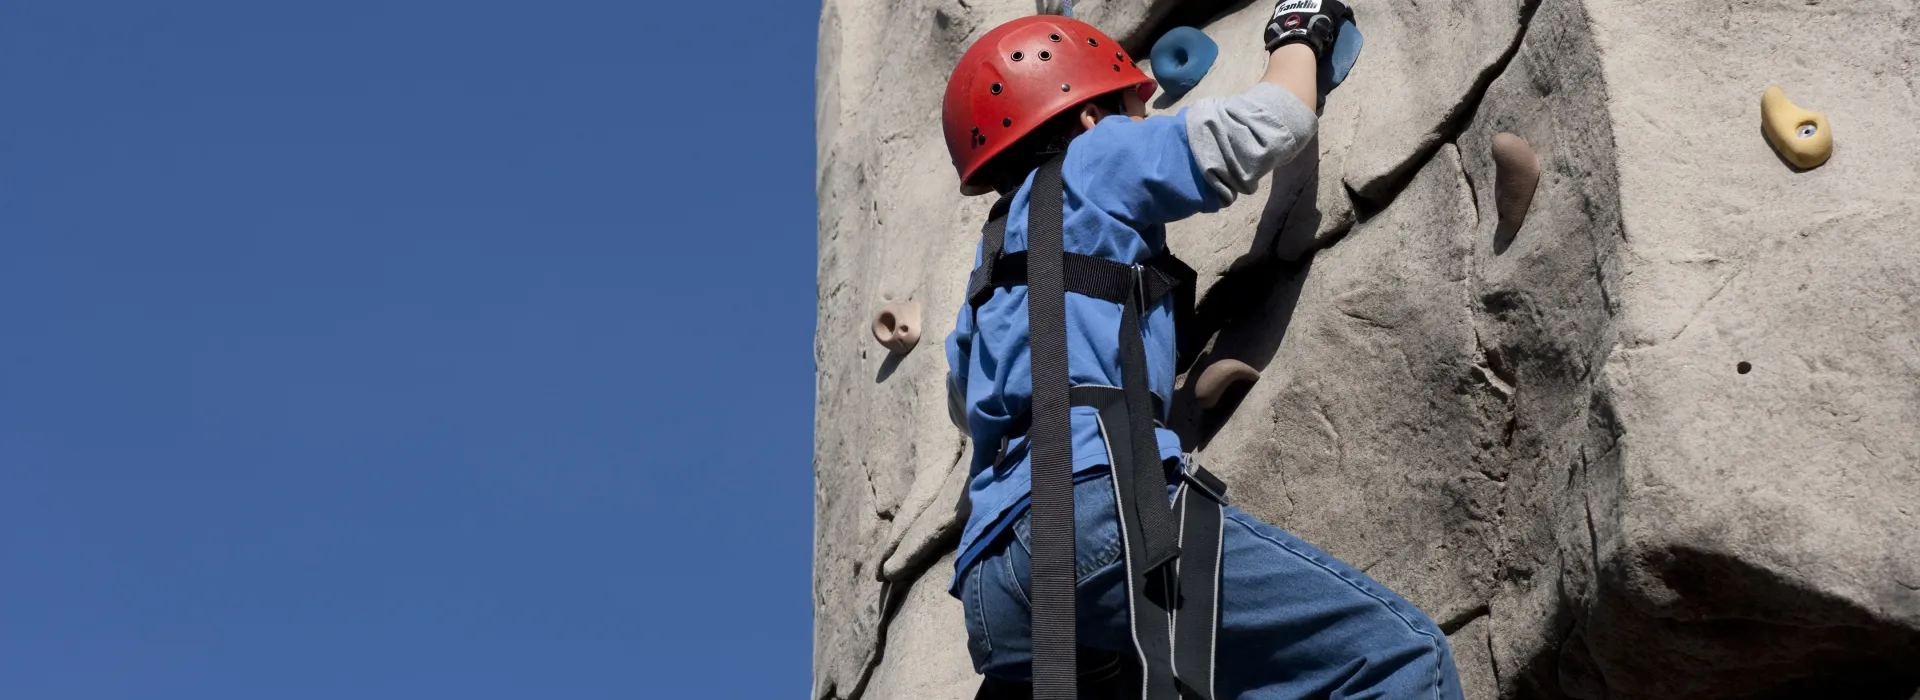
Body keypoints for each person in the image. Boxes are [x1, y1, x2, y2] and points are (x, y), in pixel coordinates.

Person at [941, 2, 1467, 698]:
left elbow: (962, 403)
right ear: (1089, 116)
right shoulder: (1094, 158)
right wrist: (1300, 38)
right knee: (1396, 661)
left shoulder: (989, 266)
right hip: (1095, 518)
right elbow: (1268, 124)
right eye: (1134, 100)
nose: (1149, 102)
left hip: (995, 588)